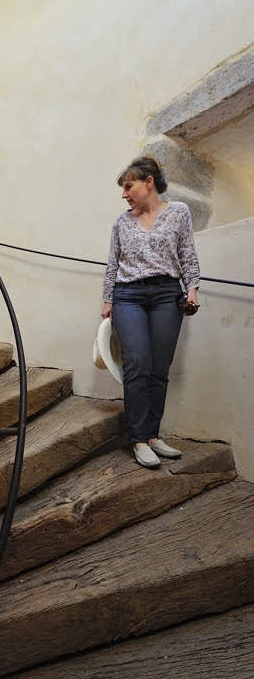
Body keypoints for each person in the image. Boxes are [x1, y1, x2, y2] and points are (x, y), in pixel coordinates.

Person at [101, 156, 200, 468]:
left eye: (128, 187)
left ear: (148, 182)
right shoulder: (121, 223)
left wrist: (192, 289)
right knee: (137, 363)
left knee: (159, 368)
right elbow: (113, 263)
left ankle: (153, 436)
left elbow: (187, 252)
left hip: (167, 295)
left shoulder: (179, 212)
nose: (124, 194)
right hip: (128, 295)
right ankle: (139, 440)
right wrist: (108, 299)